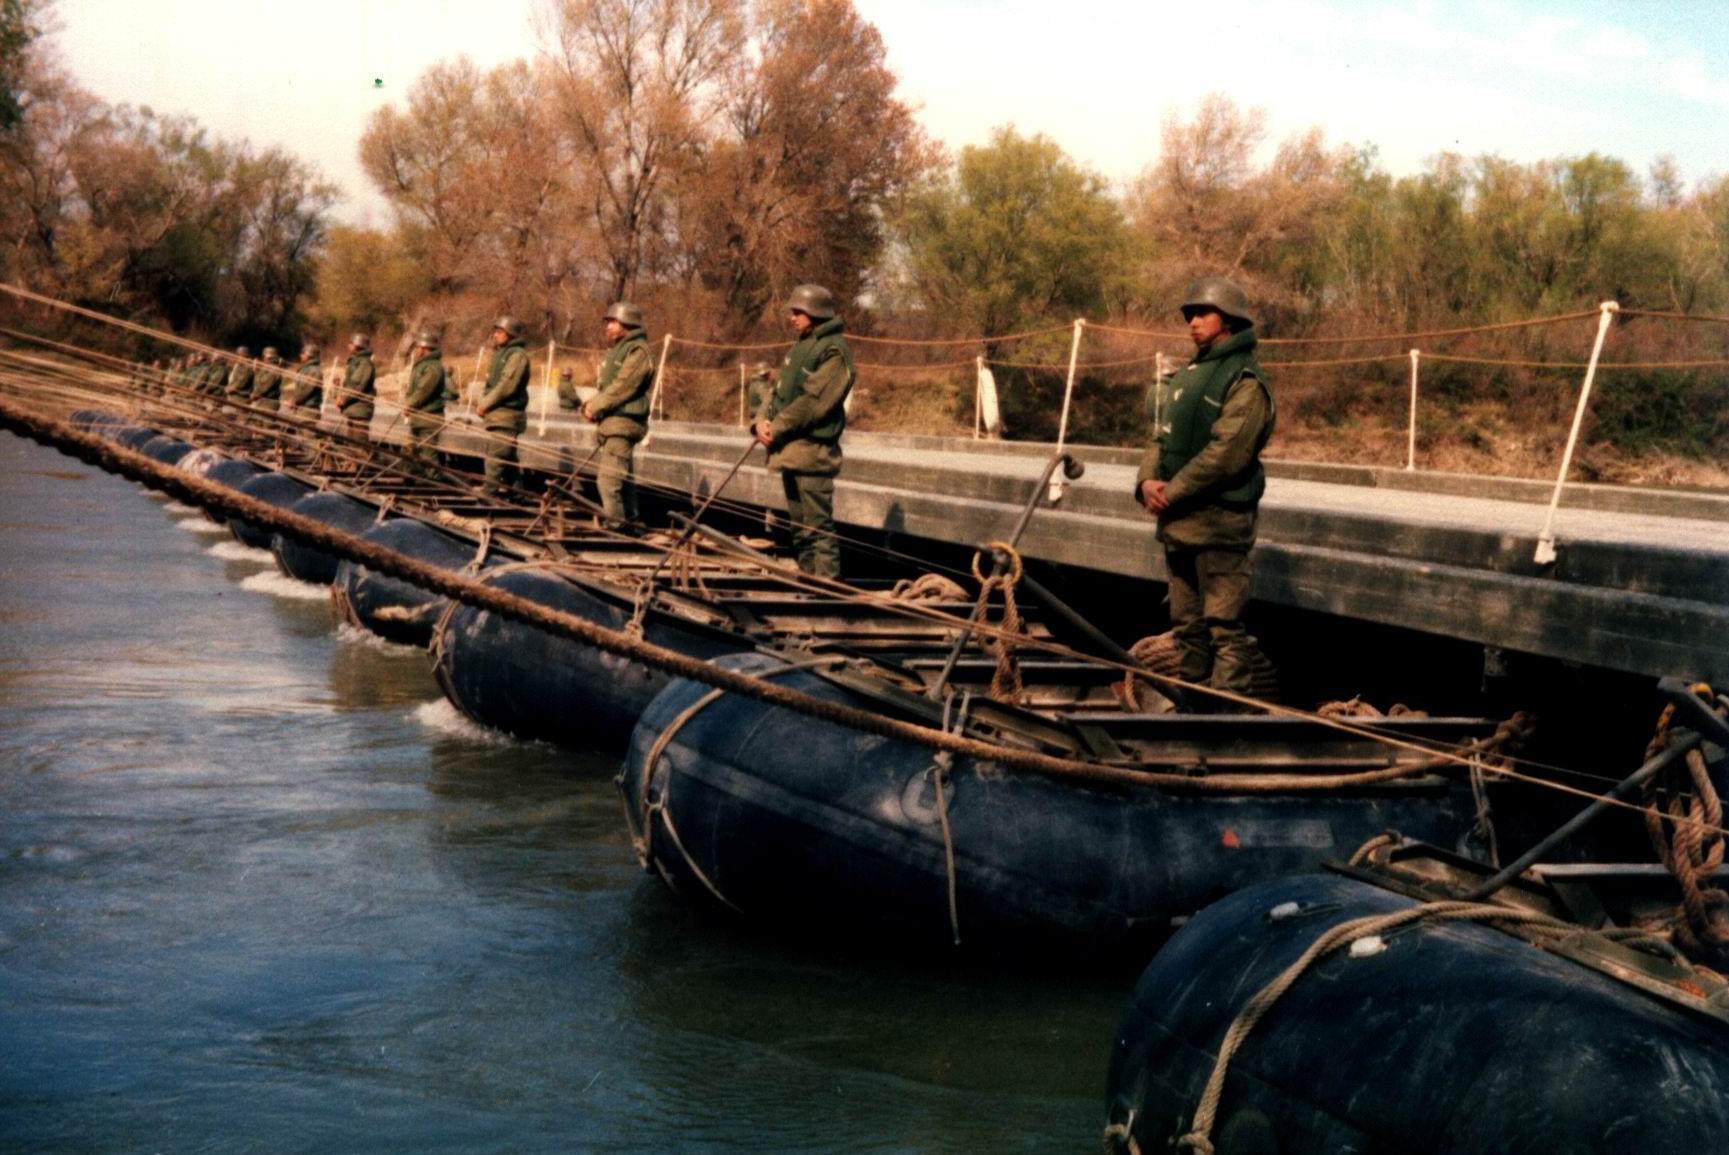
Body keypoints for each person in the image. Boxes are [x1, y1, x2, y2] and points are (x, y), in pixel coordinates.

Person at [1135, 276, 1276, 708]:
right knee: (1187, 628)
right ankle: (1193, 707)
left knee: (1223, 627)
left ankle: (1226, 716)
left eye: (1203, 313)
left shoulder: (1245, 380)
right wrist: (1146, 483)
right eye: (1189, 315)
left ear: (1229, 320)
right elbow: (1160, 436)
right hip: (1180, 524)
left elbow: (1227, 455)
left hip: (1219, 525)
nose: (1193, 322)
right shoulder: (1188, 376)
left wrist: (1172, 492)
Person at [753, 283, 854, 578]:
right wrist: (760, 421)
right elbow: (776, 392)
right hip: (790, 451)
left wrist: (777, 426)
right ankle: (808, 578)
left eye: (798, 312)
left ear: (816, 313)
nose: (792, 317)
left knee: (817, 528)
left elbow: (813, 402)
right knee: (799, 528)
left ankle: (826, 585)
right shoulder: (800, 347)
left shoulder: (834, 352)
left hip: (813, 453)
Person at [584, 301, 653, 528]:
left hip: (624, 423)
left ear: (628, 323)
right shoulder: (618, 349)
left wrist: (596, 405)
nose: (608, 326)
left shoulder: (638, 351)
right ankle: (630, 522)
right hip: (614, 422)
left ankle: (616, 527)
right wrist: (593, 405)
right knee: (623, 482)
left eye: (613, 322)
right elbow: (609, 386)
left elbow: (623, 386)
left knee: (607, 482)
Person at [475, 316, 530, 492]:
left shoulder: (517, 355)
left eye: (499, 332)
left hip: (507, 414)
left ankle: (488, 492)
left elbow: (507, 385)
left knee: (496, 456)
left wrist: (485, 404)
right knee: (508, 457)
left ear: (510, 334)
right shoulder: (502, 353)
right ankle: (517, 492)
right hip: (499, 413)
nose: (495, 335)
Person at [402, 331, 448, 467]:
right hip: (417, 417)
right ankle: (408, 478)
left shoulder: (433, 367)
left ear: (424, 348)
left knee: (428, 458)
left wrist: (409, 404)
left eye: (417, 347)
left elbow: (423, 391)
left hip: (429, 419)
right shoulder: (422, 365)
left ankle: (432, 478)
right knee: (408, 454)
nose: (416, 350)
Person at [337, 333, 376, 439]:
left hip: (360, 410)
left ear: (358, 345)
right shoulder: (355, 361)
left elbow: (357, 385)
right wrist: (337, 388)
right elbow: (349, 385)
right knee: (350, 444)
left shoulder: (364, 363)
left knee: (359, 444)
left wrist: (344, 399)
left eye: (351, 343)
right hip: (353, 409)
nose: (348, 345)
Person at [284, 343, 323, 418]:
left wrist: (295, 400)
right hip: (302, 407)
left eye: (303, 353)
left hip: (309, 409)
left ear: (310, 355)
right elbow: (299, 387)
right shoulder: (305, 369)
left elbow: (307, 389)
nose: (301, 355)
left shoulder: (314, 370)